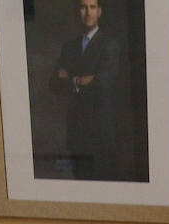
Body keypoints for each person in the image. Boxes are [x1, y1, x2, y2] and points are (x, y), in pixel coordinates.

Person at [48, 0, 121, 181]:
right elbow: (54, 84)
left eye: (92, 7)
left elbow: (103, 84)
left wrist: (70, 78)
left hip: (100, 132)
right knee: (80, 186)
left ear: (100, 11)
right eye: (83, 7)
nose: (88, 12)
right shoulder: (69, 47)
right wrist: (81, 80)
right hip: (76, 132)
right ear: (78, 12)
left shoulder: (109, 45)